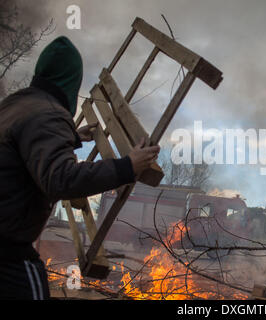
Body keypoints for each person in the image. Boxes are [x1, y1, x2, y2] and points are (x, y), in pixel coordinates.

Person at [0, 36, 160, 299]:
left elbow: (27, 147)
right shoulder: (49, 114)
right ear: (70, 82)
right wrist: (127, 166)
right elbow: (62, 179)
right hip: (8, 254)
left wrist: (71, 136)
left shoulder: (15, 105)